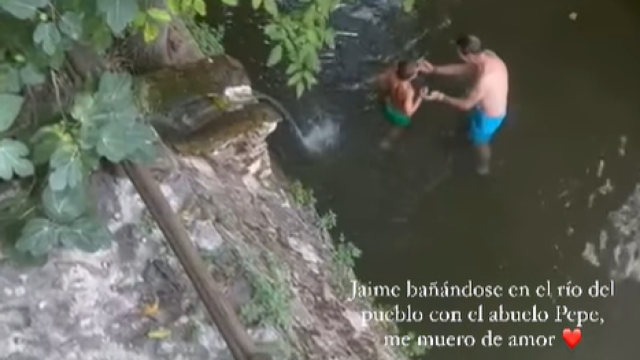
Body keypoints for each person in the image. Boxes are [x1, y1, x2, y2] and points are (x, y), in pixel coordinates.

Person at [422, 35, 509, 175]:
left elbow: (466, 105)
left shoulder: (484, 80)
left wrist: (441, 97)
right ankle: (466, 134)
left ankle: (484, 165)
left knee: (480, 142)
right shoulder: (489, 56)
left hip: (488, 118)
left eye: (460, 54)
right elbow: (464, 69)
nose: (459, 57)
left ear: (468, 55)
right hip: (482, 105)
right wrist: (434, 69)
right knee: (468, 127)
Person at [376, 60, 430, 149]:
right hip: (398, 117)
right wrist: (420, 98)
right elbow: (409, 112)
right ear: (411, 77)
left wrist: (416, 66)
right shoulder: (408, 92)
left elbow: (381, 80)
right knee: (399, 127)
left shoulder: (392, 75)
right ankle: (386, 142)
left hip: (387, 107)